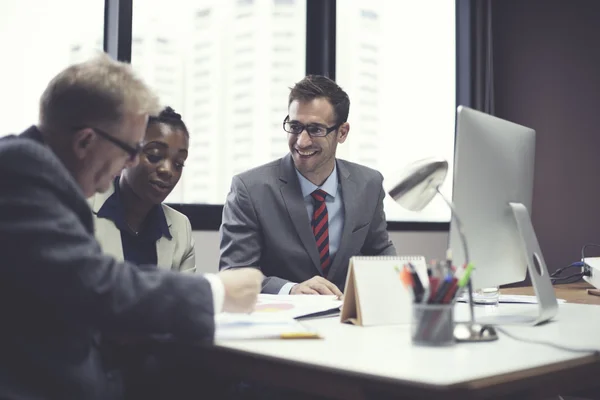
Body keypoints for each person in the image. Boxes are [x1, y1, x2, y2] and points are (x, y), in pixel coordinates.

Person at [0, 54, 262, 400]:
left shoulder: (43, 177)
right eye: (131, 150)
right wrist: (217, 291)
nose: (132, 163)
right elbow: (94, 284)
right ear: (85, 142)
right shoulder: (21, 170)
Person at [219, 75, 396, 295]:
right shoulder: (249, 189)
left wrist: (408, 283)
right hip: (281, 321)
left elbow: (379, 253)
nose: (302, 141)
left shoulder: (369, 184)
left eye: (315, 129)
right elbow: (234, 273)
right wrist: (291, 289)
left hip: (345, 321)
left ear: (342, 132)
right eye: (295, 126)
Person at [89, 106, 195, 272]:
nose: (167, 170)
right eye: (154, 155)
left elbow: (188, 297)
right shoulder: (81, 211)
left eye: (178, 163)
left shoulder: (181, 228)